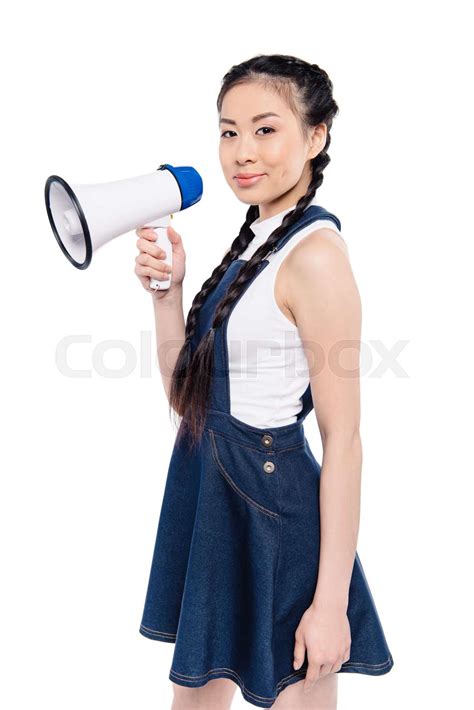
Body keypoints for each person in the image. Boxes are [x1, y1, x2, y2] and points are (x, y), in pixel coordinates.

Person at [134, 54, 394, 710]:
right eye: (228, 132)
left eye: (265, 129)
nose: (242, 152)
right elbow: (190, 403)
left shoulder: (316, 259)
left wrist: (330, 603)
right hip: (211, 491)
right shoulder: (256, 243)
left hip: (273, 507)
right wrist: (167, 297)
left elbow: (346, 440)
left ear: (315, 137)